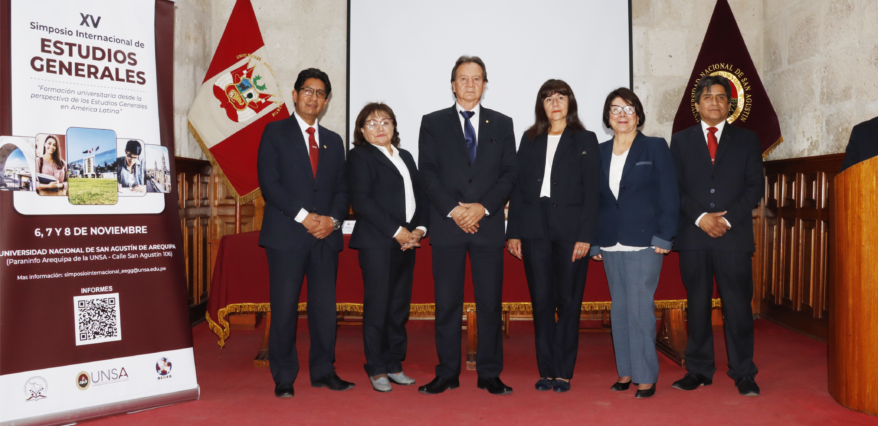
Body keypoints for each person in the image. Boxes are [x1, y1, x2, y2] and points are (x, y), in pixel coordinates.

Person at [417, 56, 518, 395]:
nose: (470, 84)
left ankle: (489, 373)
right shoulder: (432, 122)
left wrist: (482, 208)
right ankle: (447, 372)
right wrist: (454, 210)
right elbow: (427, 172)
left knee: (490, 304)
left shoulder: (502, 124)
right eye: (463, 78)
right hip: (448, 227)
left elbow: (510, 173)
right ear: (453, 84)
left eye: (477, 79)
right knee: (447, 304)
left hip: (487, 227)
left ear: (485, 85)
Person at [257, 68, 352, 398]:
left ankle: (324, 370)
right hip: (287, 235)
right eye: (308, 91)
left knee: (324, 309)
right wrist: (303, 217)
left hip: (325, 236)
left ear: (326, 102)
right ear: (295, 95)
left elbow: (342, 189)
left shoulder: (334, 141)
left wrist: (332, 221)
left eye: (320, 93)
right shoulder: (275, 132)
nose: (314, 98)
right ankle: (284, 375)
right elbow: (270, 183)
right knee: (284, 307)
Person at [669, 75, 765, 397]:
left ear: (729, 105)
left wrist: (726, 220)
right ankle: (698, 370)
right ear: (697, 105)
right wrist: (700, 218)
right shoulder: (680, 141)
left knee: (738, 307)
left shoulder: (747, 139)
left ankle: (744, 372)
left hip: (733, 236)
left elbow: (755, 186)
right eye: (708, 97)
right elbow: (674, 188)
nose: (715, 102)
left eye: (721, 97)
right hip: (693, 236)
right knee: (697, 305)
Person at [506, 79, 599, 393]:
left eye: (561, 97)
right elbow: (518, 189)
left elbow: (592, 192)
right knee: (542, 302)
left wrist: (586, 235)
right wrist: (514, 232)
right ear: (541, 106)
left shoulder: (585, 138)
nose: (555, 103)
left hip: (572, 231)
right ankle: (546, 370)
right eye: (548, 98)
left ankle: (564, 371)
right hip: (534, 229)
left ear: (570, 102)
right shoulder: (530, 138)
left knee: (569, 302)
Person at [588, 88, 679, 399]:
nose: (622, 114)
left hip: (645, 241)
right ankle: (625, 371)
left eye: (629, 108)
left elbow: (669, 193)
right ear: (608, 117)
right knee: (620, 309)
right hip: (610, 240)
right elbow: (593, 200)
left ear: (638, 115)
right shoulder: (599, 152)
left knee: (640, 309)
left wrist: (665, 235)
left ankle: (645, 376)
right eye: (615, 109)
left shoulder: (654, 147)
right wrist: (594, 242)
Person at [347, 103, 429, 392]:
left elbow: (420, 196)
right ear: (361, 130)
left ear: (394, 126)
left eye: (385, 121)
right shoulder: (359, 156)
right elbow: (362, 201)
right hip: (378, 243)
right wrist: (398, 232)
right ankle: (376, 367)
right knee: (378, 307)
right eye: (372, 123)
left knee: (398, 308)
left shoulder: (405, 156)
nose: (380, 127)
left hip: (407, 243)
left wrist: (419, 230)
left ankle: (394, 364)